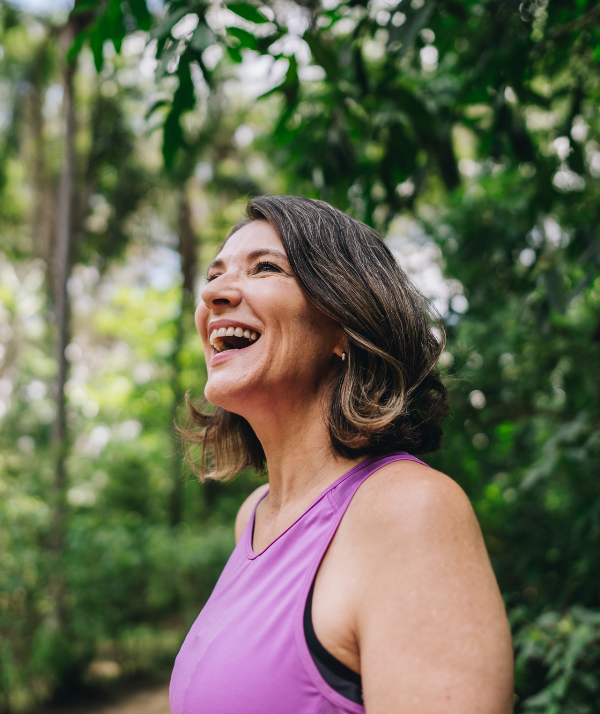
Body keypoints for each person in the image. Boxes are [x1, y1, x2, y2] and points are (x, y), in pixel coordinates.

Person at [169, 196, 514, 714]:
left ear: (344, 325)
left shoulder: (409, 512)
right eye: (214, 275)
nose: (214, 292)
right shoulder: (255, 518)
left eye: (265, 268)